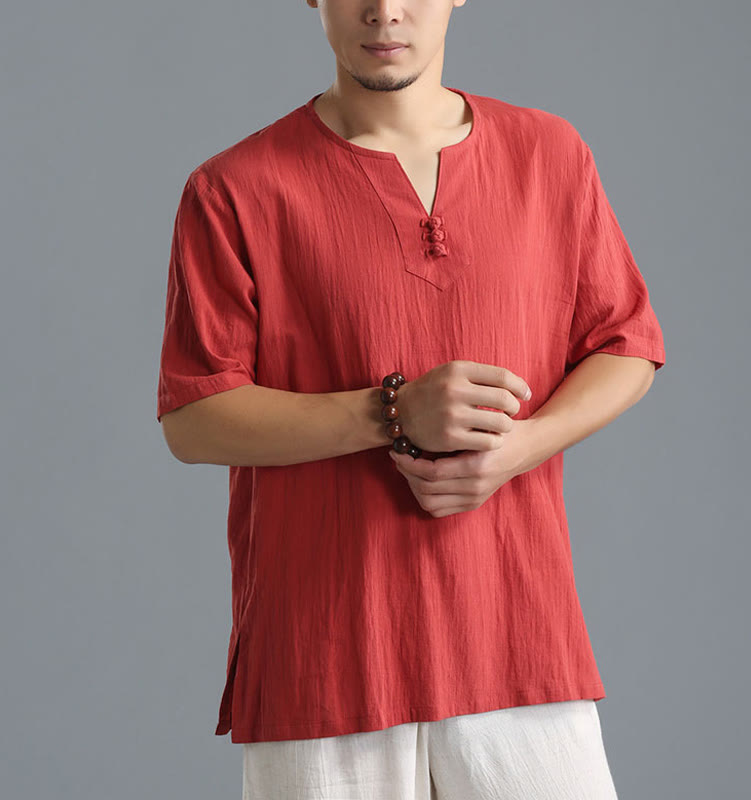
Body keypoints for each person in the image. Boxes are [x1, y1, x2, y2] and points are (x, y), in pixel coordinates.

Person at [155, 1, 666, 797]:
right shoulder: (235, 188)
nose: (384, 11)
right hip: (326, 660)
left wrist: (521, 448)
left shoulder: (549, 153)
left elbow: (626, 342)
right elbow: (194, 416)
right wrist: (391, 413)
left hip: (518, 638)